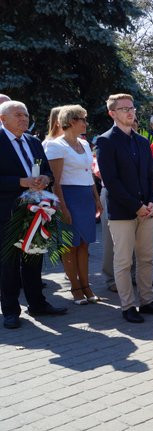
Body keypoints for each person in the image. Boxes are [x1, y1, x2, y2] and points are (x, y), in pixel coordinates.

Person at [96, 94, 153, 324]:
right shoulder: (105, 141)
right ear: (112, 113)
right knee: (124, 261)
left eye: (132, 108)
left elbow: (151, 176)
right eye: (124, 109)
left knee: (147, 258)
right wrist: (136, 206)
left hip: (147, 210)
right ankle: (128, 305)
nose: (130, 112)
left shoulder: (142, 142)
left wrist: (151, 201)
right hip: (122, 211)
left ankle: (147, 301)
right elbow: (111, 181)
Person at [0, 101, 65, 329]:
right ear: (3, 119)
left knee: (34, 257)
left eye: (26, 115)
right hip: (9, 212)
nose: (24, 119)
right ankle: (10, 310)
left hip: (36, 211)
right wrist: (22, 182)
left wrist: (46, 179)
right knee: (8, 263)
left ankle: (37, 304)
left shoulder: (34, 141)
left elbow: (47, 171)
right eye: (18, 115)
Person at [46, 105, 103, 305]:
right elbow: (56, 181)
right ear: (71, 121)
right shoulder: (55, 146)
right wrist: (63, 208)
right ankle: (75, 287)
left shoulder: (85, 144)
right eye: (82, 119)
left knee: (84, 243)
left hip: (86, 197)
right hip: (68, 197)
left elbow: (88, 173)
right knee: (70, 245)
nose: (86, 123)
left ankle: (86, 286)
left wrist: (96, 198)